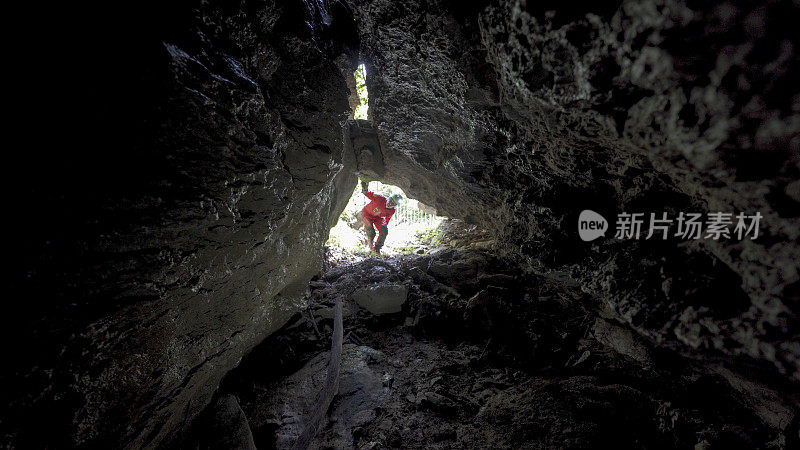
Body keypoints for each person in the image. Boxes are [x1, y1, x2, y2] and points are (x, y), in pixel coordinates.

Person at [360, 181, 402, 254]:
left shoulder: (392, 210)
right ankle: (370, 247)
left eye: (393, 204)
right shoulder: (379, 198)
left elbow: (387, 219)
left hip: (379, 218)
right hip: (367, 214)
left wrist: (383, 228)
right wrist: (364, 187)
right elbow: (368, 193)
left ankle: (377, 249)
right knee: (371, 232)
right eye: (391, 201)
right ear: (388, 198)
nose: (390, 204)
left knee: (384, 231)